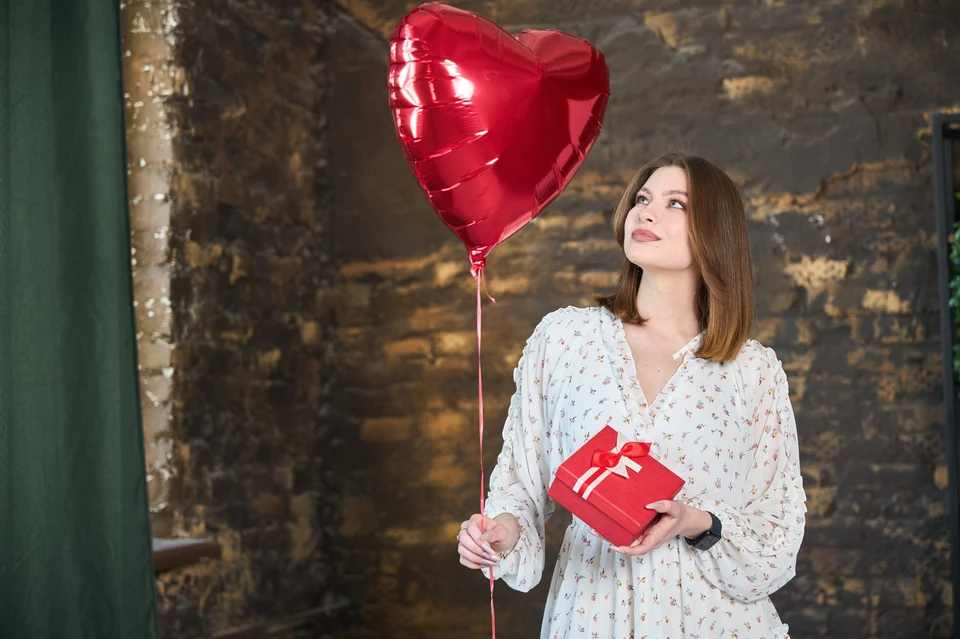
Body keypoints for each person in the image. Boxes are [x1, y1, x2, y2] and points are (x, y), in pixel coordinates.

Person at [456, 153, 807, 639]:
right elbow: (520, 485)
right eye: (642, 198)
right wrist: (501, 533)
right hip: (594, 614)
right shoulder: (566, 341)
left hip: (716, 622)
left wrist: (692, 520)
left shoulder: (753, 371)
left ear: (716, 231)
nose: (647, 212)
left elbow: (776, 535)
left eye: (675, 203)